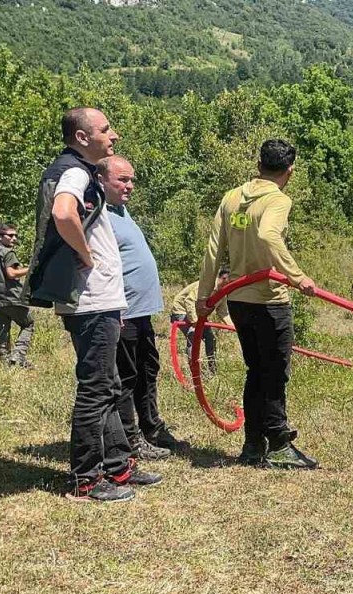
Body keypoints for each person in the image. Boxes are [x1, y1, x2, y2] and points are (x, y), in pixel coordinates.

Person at [22, 107, 160, 503]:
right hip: (90, 301)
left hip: (99, 301)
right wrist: (84, 254)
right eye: (105, 129)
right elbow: (63, 214)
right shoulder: (76, 171)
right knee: (96, 389)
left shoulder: (76, 170)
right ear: (83, 138)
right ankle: (85, 479)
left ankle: (118, 467)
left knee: (112, 385)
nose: (113, 135)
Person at [198, 139, 318, 469]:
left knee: (256, 371)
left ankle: (253, 445)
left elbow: (213, 250)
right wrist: (296, 276)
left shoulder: (232, 197)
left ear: (259, 165)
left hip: (238, 300)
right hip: (269, 301)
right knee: (275, 373)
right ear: (289, 171)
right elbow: (268, 235)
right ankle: (278, 444)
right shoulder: (277, 200)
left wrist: (203, 297)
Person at [99, 155, 184, 460]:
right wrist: (115, 309)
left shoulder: (120, 210)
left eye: (131, 179)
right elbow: (98, 267)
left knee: (148, 370)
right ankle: (129, 439)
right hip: (121, 312)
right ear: (101, 180)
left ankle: (152, 427)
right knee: (125, 376)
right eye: (122, 179)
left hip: (141, 312)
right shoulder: (99, 216)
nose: (130, 185)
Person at [0, 222, 35, 368]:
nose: (14, 238)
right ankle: (18, 356)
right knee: (28, 324)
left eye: (15, 235)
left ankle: (5, 363)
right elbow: (12, 274)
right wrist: (32, 268)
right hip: (12, 297)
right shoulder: (7, 252)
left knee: (3, 330)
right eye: (10, 235)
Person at [171, 271, 232, 373]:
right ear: (224, 278)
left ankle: (212, 371)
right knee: (193, 335)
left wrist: (232, 326)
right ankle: (194, 374)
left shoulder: (223, 294)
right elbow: (189, 300)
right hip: (181, 311)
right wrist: (194, 320)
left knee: (210, 339)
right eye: (232, 280)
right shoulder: (206, 286)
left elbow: (223, 313)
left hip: (199, 316)